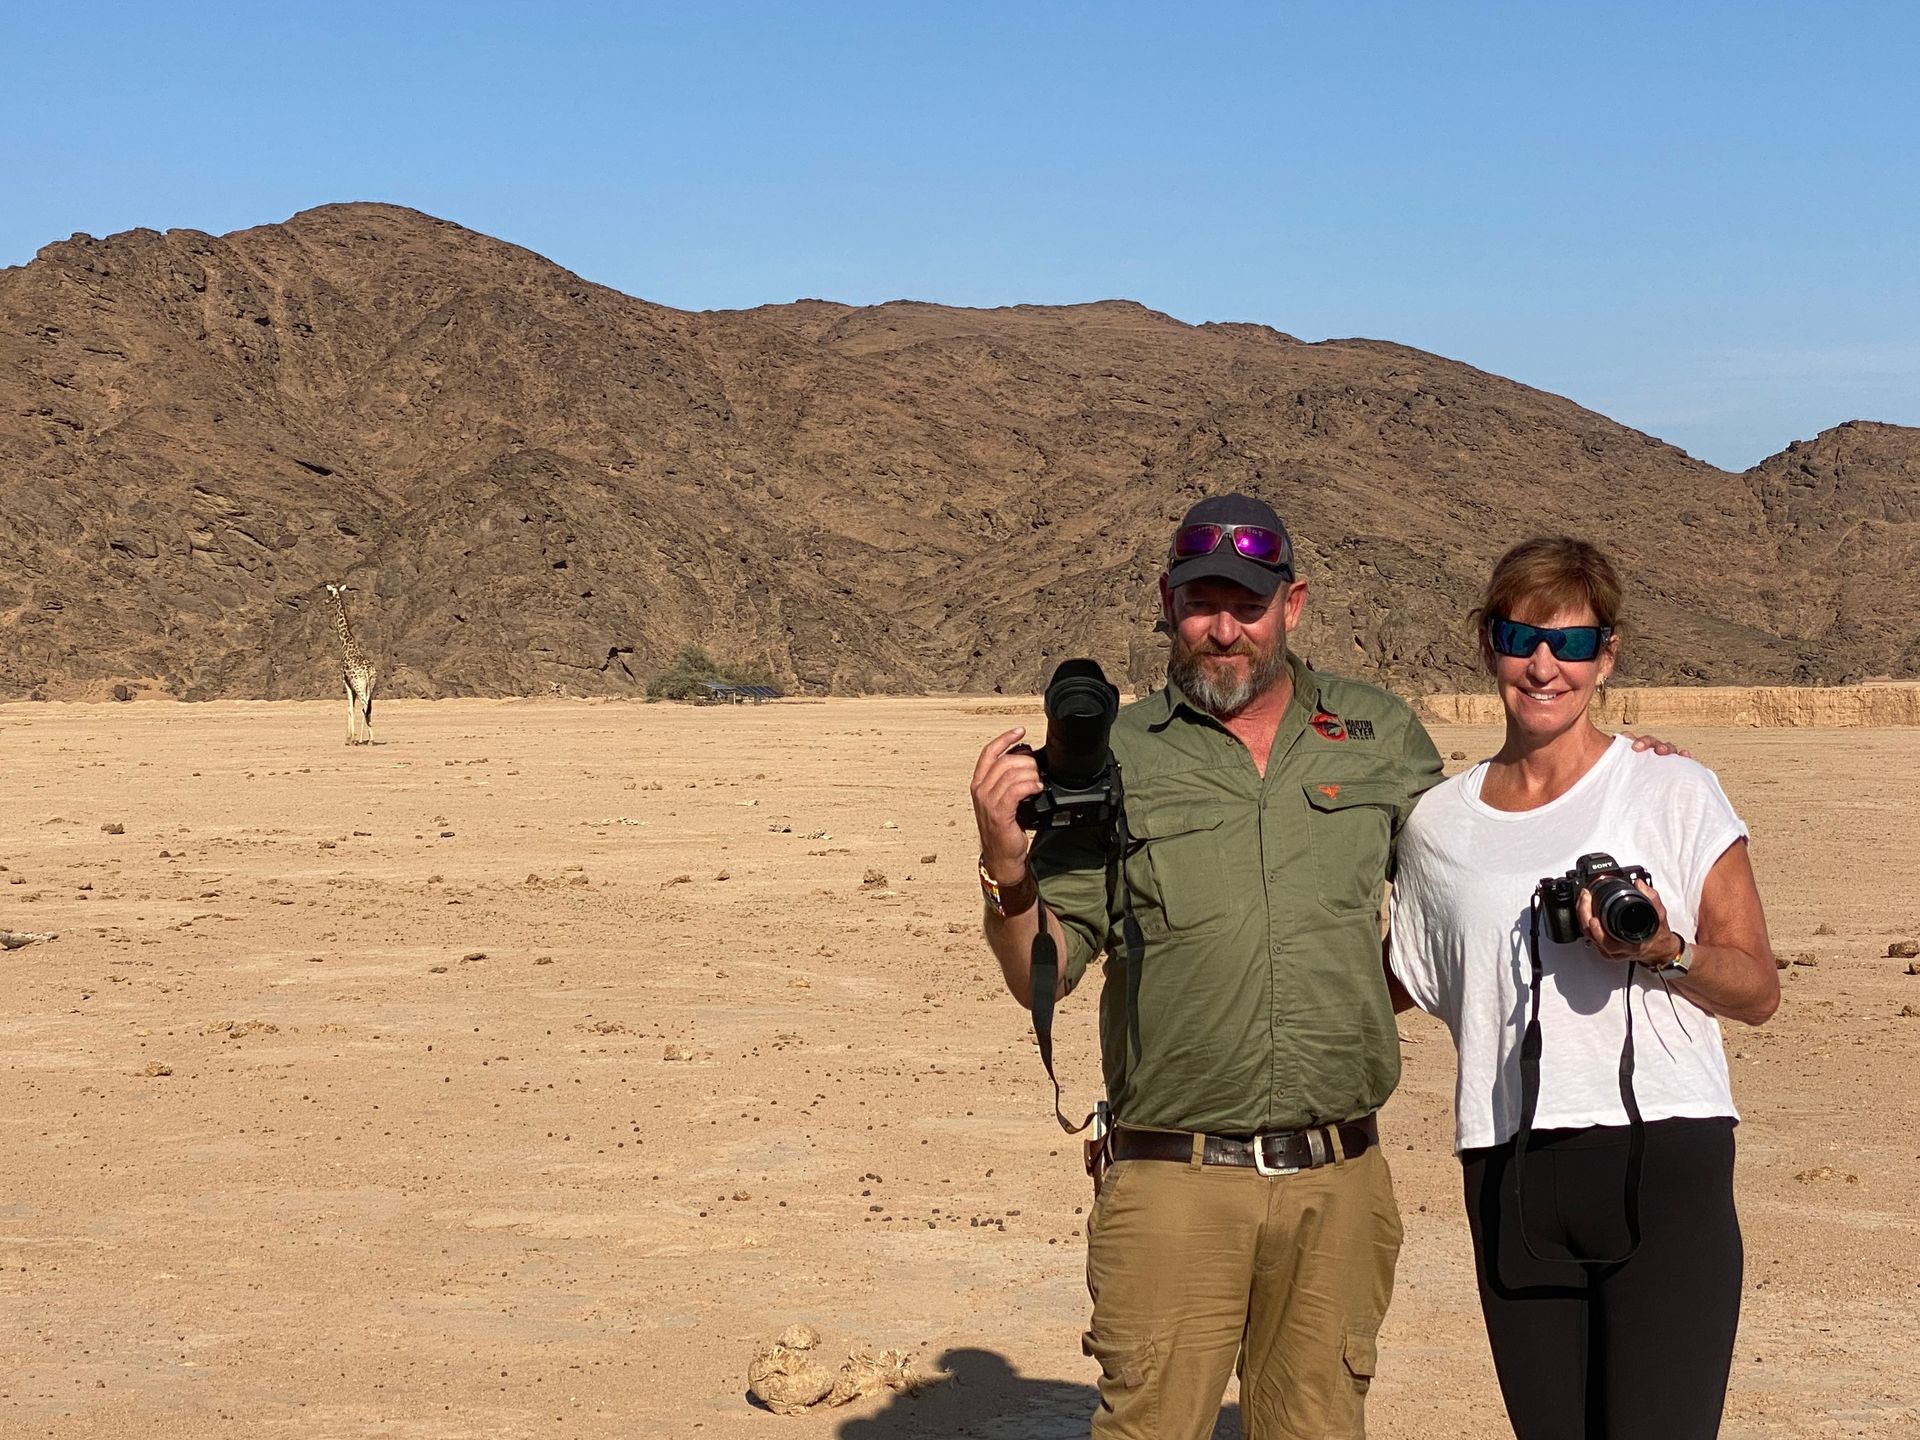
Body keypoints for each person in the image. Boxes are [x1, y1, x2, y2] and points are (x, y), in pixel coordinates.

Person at [969, 493, 1444, 1440]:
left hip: (1337, 1186)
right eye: (1200, 604)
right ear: (1167, 602)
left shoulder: (1378, 733)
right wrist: (1007, 869)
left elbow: (1469, 881)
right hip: (1172, 1183)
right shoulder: (1114, 757)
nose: (1224, 629)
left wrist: (1609, 766)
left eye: (1248, 604)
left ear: (1293, 604)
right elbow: (1043, 975)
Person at [1388, 536, 1780, 1440]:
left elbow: (1756, 988)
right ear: (1486, 643)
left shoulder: (1671, 788)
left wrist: (1663, 949)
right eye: (1521, 636)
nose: (1543, 666)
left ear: (1607, 657)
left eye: (1571, 644)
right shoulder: (1437, 824)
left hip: (1663, 1157)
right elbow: (1386, 985)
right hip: (1506, 1165)